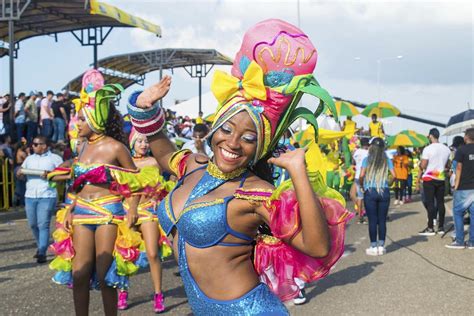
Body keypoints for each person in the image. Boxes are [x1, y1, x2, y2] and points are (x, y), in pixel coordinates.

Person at [127, 19, 353, 315]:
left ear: (259, 146)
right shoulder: (192, 165)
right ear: (215, 128)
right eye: (226, 129)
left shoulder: (254, 193)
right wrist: (145, 108)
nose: (233, 143)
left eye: (248, 138)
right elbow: (162, 149)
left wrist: (298, 172)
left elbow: (318, 247)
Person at [47, 70, 148, 316]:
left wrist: (133, 208)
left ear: (95, 119)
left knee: (105, 277)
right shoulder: (81, 149)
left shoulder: (116, 147)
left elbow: (135, 182)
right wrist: (69, 209)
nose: (76, 123)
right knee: (79, 273)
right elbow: (76, 184)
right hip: (81, 212)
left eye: (81, 119)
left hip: (108, 212)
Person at [117, 128, 173, 313]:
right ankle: (123, 291)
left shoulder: (155, 162)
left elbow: (175, 171)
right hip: (127, 211)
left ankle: (158, 294)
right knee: (125, 253)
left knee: (152, 253)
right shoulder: (125, 162)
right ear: (132, 142)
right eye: (140, 141)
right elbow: (123, 188)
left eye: (146, 141)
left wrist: (164, 192)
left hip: (148, 211)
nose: (144, 145)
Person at [17, 136, 63, 263]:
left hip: (47, 194)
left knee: (43, 224)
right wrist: (19, 174)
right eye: (33, 144)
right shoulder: (29, 159)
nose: (34, 146)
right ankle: (40, 246)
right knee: (33, 224)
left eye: (37, 144)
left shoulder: (55, 158)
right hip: (30, 195)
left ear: (45, 145)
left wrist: (50, 175)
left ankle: (42, 251)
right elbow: (21, 173)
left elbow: (63, 174)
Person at [360, 137, 395, 255]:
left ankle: (373, 246)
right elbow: (394, 175)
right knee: (382, 220)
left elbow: (361, 175)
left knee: (372, 220)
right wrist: (388, 184)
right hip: (383, 191)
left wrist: (362, 185)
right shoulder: (387, 160)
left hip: (370, 191)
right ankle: (381, 246)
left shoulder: (367, 160)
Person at [418, 128, 451, 236]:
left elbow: (423, 165)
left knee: (430, 202)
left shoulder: (428, 149)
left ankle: (430, 228)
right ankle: (441, 227)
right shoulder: (446, 149)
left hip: (429, 178)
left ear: (431, 136)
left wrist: (420, 166)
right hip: (440, 178)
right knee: (441, 202)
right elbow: (448, 165)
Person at [446, 128, 474, 249]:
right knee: (473, 214)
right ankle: (472, 242)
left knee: (458, 212)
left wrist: (456, 186)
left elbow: (458, 168)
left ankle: (459, 241)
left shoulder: (461, 150)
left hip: (463, 187)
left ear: (466, 137)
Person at [352, 137, 369, 223]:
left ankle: (360, 217)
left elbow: (354, 162)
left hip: (357, 176)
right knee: (367, 196)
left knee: (359, 197)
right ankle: (369, 214)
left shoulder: (356, 152)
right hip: (365, 176)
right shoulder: (367, 152)